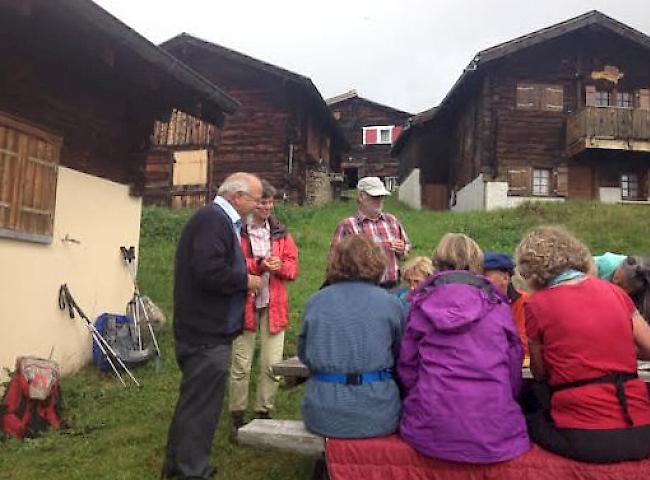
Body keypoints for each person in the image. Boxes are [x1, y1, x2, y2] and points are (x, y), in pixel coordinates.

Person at [516, 226, 650, 463]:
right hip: (639, 429)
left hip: (583, 435)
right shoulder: (616, 293)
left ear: (531, 271)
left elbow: (540, 372)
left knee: (526, 416)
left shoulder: (536, 305)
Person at [162, 173, 263, 480]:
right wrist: (246, 280)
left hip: (205, 329)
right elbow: (207, 271)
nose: (258, 205)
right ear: (238, 197)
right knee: (202, 409)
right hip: (206, 332)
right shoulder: (213, 220)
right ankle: (192, 472)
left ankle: (178, 466)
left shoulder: (218, 220)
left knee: (194, 403)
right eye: (255, 199)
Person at [398, 233, 529, 463]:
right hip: (493, 427)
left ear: (437, 262)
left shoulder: (421, 305)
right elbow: (513, 367)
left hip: (432, 425)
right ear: (477, 263)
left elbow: (408, 369)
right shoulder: (498, 306)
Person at [298, 235, 404, 438]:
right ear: (376, 261)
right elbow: (401, 355)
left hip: (323, 412)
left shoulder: (316, 302)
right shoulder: (391, 304)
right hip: (378, 412)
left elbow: (304, 354)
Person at [229, 180, 299, 435]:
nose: (267, 206)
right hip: (244, 304)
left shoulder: (281, 231)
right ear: (252, 203)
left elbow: (293, 267)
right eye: (262, 202)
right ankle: (237, 415)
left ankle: (263, 412)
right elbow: (233, 264)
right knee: (241, 362)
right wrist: (260, 266)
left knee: (272, 363)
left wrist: (281, 267)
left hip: (274, 304)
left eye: (270, 202)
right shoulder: (238, 231)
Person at [330, 176, 410, 289]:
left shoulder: (392, 221)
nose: (380, 201)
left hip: (393, 286)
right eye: (375, 197)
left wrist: (402, 249)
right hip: (362, 288)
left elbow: (406, 248)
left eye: (382, 197)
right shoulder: (348, 225)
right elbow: (335, 261)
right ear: (361, 197)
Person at [483, 252, 530, 356]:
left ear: (505, 278)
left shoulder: (524, 302)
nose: (480, 280)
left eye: (485, 276)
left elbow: (525, 343)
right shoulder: (480, 304)